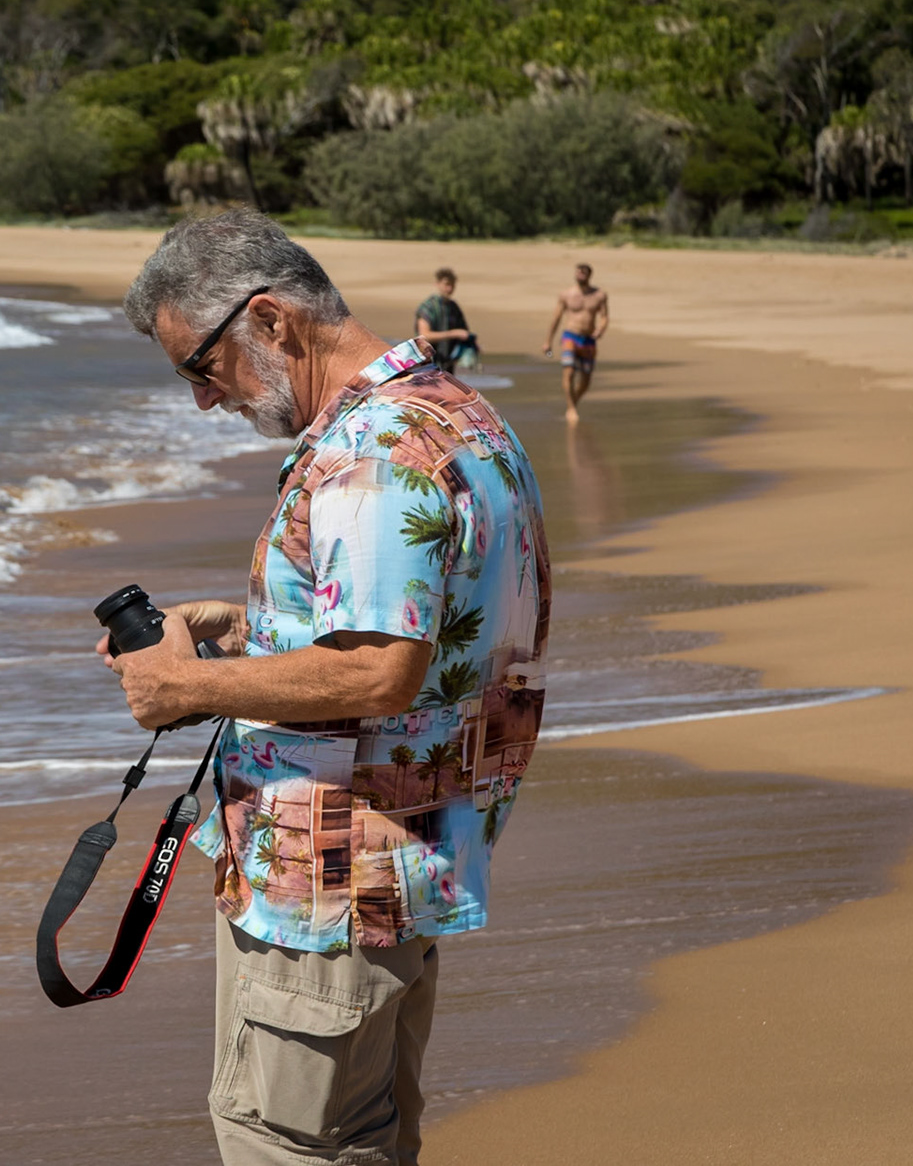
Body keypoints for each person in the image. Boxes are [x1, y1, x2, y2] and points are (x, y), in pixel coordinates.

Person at [108, 211, 550, 1166]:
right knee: (365, 1141)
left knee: (285, 1141)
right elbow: (426, 641)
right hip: (409, 857)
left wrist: (189, 688)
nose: (202, 400)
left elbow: (378, 671)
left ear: (269, 321)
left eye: (199, 367)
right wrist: (246, 625)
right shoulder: (454, 414)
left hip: (333, 887)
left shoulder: (373, 453)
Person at [541, 262, 610, 423]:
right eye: (578, 272)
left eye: (584, 273)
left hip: (588, 340)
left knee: (586, 378)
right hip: (570, 336)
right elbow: (556, 318)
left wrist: (601, 329)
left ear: (589, 275)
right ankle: (571, 408)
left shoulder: (599, 295)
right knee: (569, 371)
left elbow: (605, 317)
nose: (581, 275)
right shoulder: (566, 295)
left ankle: (573, 403)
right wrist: (548, 341)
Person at [412, 267, 477, 373]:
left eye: (452, 285)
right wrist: (453, 334)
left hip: (447, 364)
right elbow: (424, 335)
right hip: (428, 366)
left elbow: (464, 332)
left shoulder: (453, 307)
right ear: (437, 284)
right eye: (446, 284)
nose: (449, 289)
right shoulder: (428, 307)